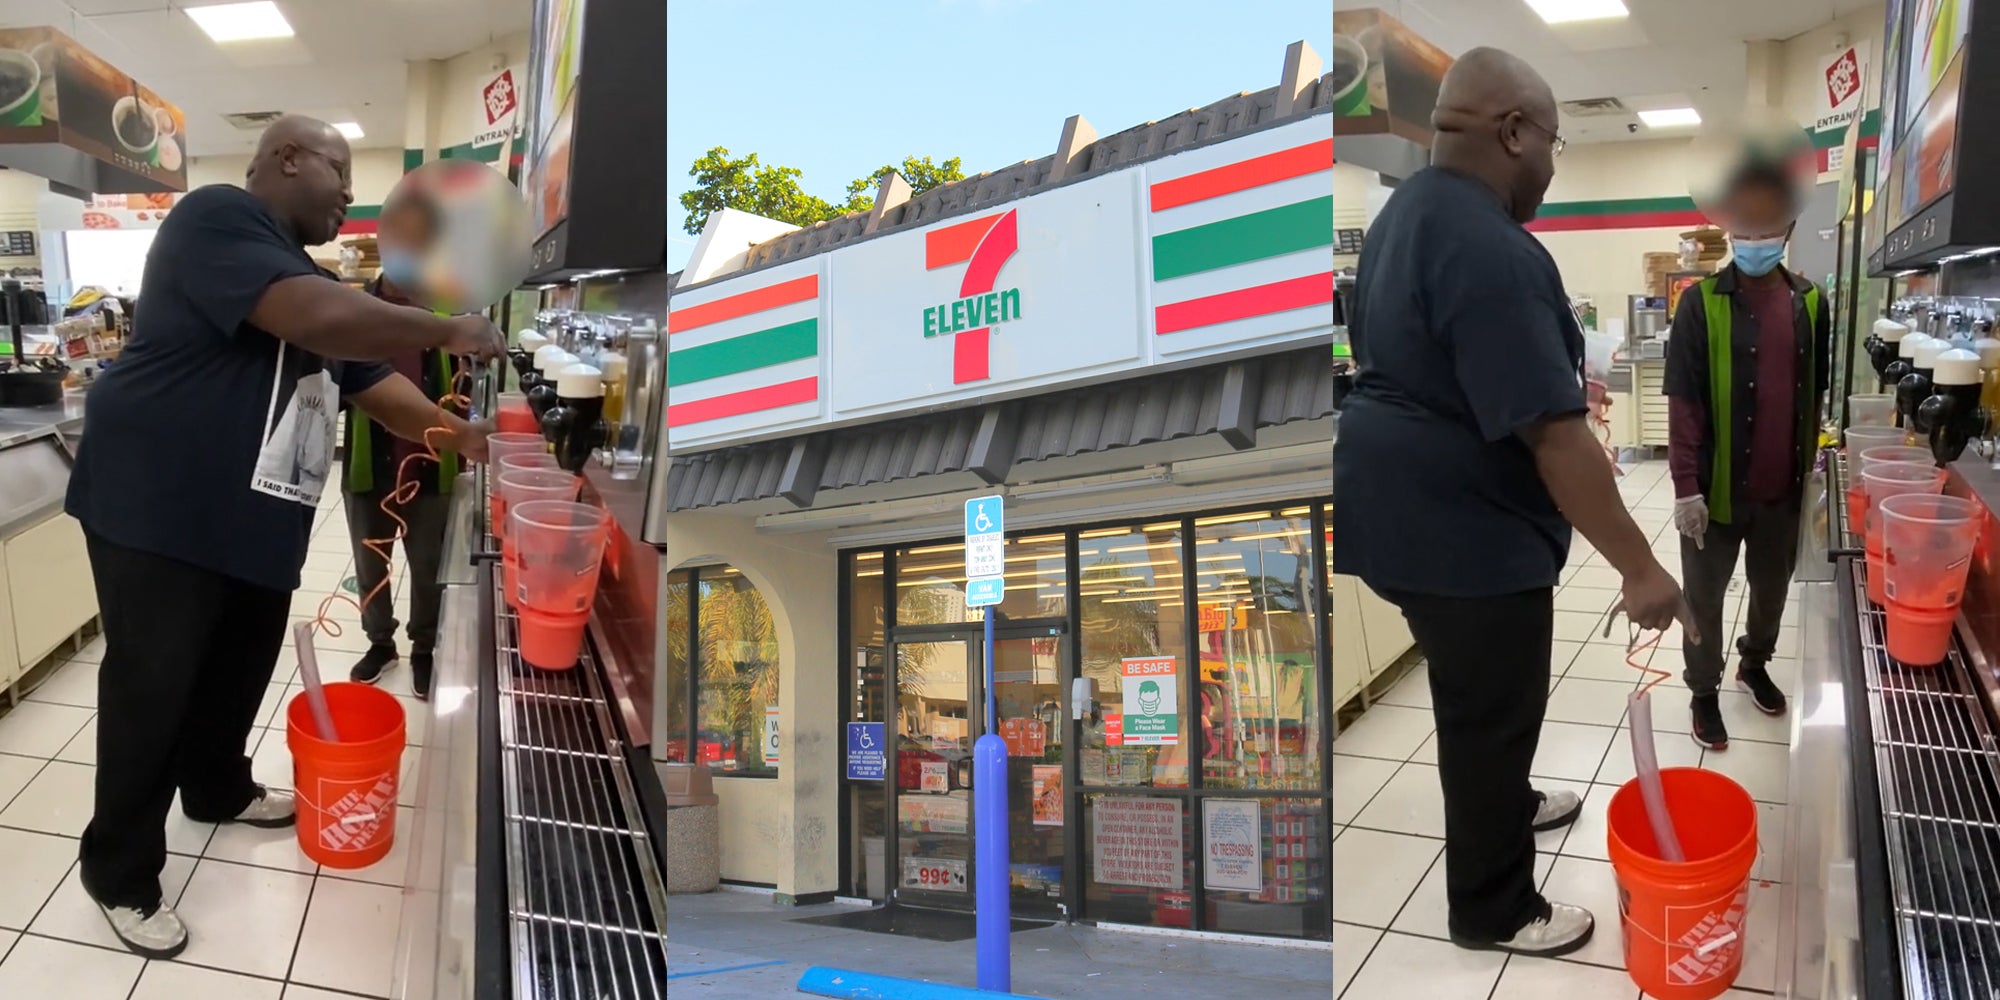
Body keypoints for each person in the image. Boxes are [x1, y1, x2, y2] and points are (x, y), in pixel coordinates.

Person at [63, 115, 505, 959]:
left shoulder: (311, 280)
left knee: (236, 671)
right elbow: (318, 319)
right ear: (288, 159)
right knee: (152, 689)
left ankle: (216, 789)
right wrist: (447, 327)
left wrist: (466, 440)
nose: (349, 192)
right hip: (159, 508)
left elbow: (375, 387)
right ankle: (117, 871)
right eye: (340, 171)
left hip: (254, 519)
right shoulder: (217, 218)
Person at [1331, 47, 1696, 958]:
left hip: (1399, 514)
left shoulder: (1408, 212)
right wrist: (1642, 569)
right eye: (1554, 146)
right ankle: (1492, 909)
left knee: (1479, 699)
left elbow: (1444, 368)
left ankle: (1511, 802)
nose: (1552, 168)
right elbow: (1556, 441)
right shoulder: (1491, 246)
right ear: (1514, 132)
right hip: (1463, 536)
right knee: (1490, 714)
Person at [1665, 161, 1827, 750]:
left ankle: (1754, 663)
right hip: (1715, 491)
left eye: (1768, 226)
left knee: (1771, 591)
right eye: (1746, 226)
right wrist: (1686, 487)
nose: (1756, 239)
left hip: (1781, 490)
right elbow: (1684, 403)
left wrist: (1812, 473)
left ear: (1788, 227)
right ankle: (1703, 691)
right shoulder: (1700, 304)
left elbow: (1815, 391)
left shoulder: (1811, 301)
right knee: (1704, 598)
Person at [345, 190, 454, 699]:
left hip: (430, 464)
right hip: (370, 465)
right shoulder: (355, 310)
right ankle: (380, 643)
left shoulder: (446, 316)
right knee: (372, 565)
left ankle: (424, 648)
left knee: (429, 567)